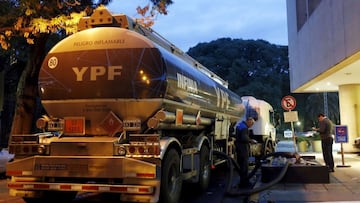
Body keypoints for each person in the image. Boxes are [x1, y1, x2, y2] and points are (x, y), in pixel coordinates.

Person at [235, 117, 256, 187]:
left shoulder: (240, 125)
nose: (251, 125)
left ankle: (242, 182)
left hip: (239, 147)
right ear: (248, 121)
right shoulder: (244, 127)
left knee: (241, 166)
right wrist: (251, 140)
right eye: (252, 123)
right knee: (244, 166)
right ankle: (245, 183)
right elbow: (244, 138)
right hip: (243, 148)